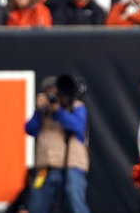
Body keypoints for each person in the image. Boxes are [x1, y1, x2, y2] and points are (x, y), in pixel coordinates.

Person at [25, 74, 91, 213]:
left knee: (76, 205)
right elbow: (29, 129)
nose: (54, 98)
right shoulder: (43, 112)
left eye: (56, 93)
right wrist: (38, 111)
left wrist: (57, 111)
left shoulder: (76, 107)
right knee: (37, 205)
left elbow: (78, 127)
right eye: (49, 94)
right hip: (45, 168)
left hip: (71, 165)